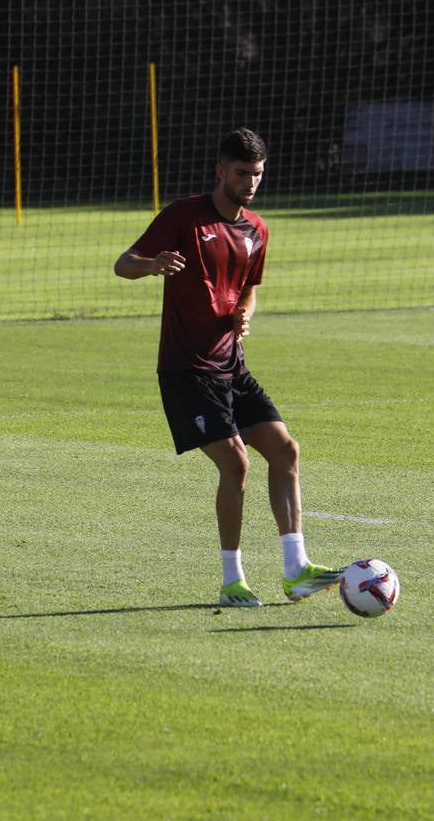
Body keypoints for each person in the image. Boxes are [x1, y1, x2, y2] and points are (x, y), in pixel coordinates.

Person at [113, 128, 345, 607]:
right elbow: (123, 263)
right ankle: (232, 579)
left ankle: (296, 570)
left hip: (232, 367)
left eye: (257, 174)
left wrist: (245, 313)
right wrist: (154, 263)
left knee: (285, 451)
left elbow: (250, 288)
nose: (251, 183)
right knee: (236, 463)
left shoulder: (257, 230)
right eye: (242, 173)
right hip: (187, 372)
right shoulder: (183, 216)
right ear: (220, 171)